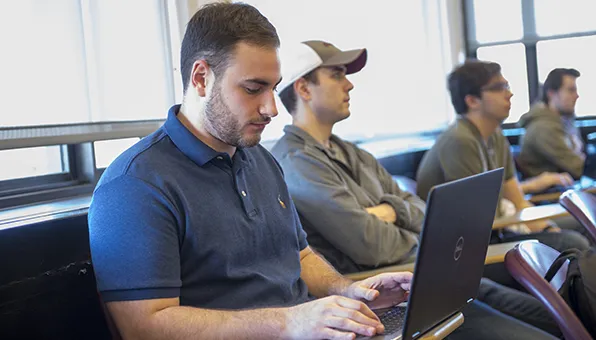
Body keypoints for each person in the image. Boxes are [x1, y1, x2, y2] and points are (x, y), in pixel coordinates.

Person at [88, 4, 417, 339]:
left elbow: (300, 257)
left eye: (273, 88)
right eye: (253, 88)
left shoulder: (261, 159)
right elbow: (143, 328)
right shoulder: (135, 184)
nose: (271, 108)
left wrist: (349, 293)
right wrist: (290, 323)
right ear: (201, 78)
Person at [272, 41, 560, 338]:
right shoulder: (296, 163)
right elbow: (371, 245)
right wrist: (398, 216)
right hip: (390, 298)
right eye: (336, 74)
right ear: (304, 89)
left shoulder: (352, 152)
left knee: (558, 315)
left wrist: (390, 212)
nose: (349, 84)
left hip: (428, 276)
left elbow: (423, 211)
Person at [416, 60, 589, 252]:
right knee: (573, 243)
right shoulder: (460, 141)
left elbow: (517, 199)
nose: (510, 93)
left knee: (581, 226)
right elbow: (479, 222)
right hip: (460, 249)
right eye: (499, 88)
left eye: (507, 86)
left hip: (495, 231)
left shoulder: (495, 135)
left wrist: (548, 228)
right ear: (472, 100)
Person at [518, 68, 585, 180]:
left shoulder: (563, 121)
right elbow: (578, 168)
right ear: (551, 93)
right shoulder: (543, 127)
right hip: (548, 194)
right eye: (571, 90)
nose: (577, 96)